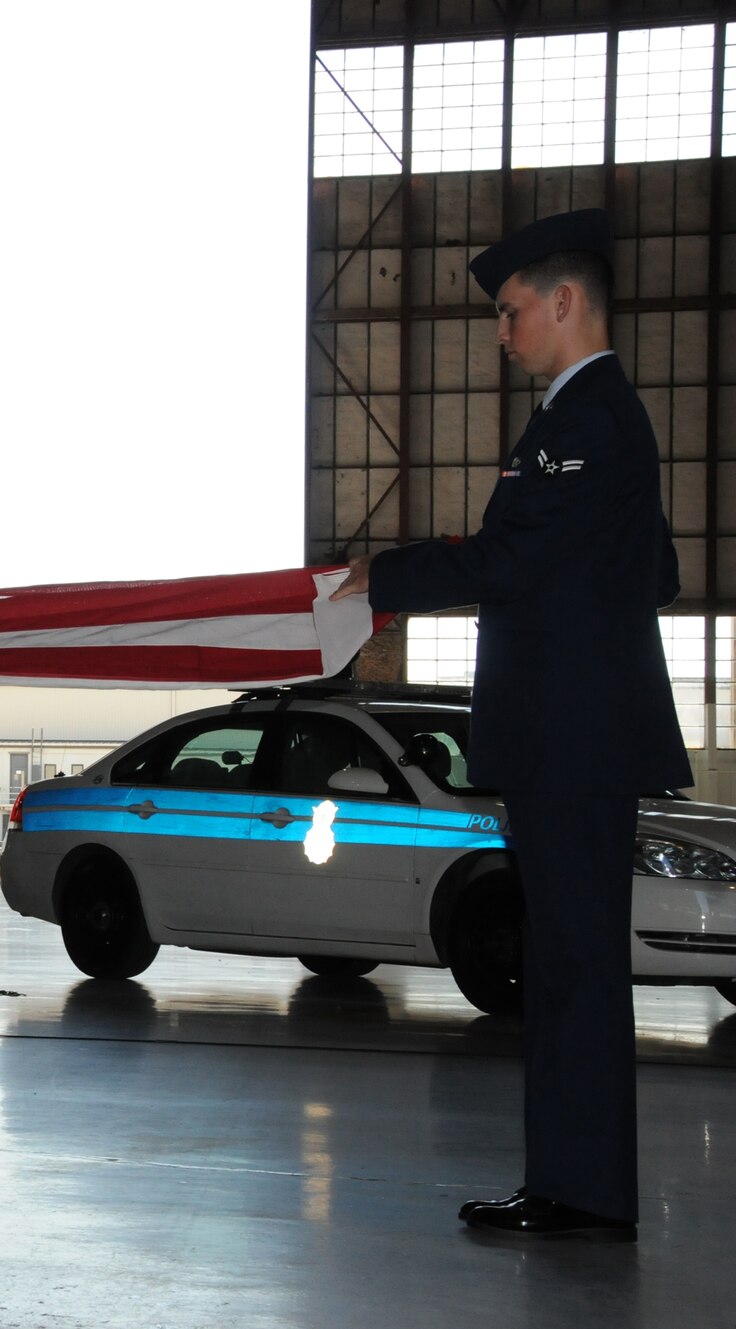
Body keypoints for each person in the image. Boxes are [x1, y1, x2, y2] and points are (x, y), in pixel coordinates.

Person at [332, 208, 688, 1242]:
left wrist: (386, 575)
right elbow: (650, 568)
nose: (500, 331)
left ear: (563, 302)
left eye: (509, 310)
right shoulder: (594, 422)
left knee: (573, 964)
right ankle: (574, 1184)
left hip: (570, 737)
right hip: (573, 729)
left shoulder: (585, 419)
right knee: (569, 959)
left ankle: (577, 1193)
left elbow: (515, 559)